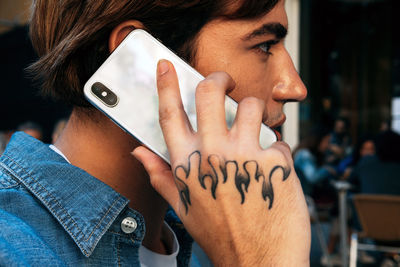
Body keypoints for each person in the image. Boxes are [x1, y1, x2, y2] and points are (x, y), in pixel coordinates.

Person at [0, 0, 310, 266]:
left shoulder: (211, 240)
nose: (295, 88)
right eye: (265, 45)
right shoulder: (11, 250)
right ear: (138, 60)